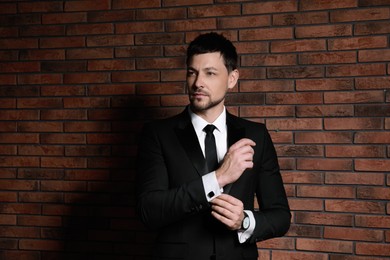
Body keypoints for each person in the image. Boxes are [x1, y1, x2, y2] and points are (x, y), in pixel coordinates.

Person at [136, 32, 291, 260]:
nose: (198, 82)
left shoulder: (256, 134)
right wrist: (217, 178)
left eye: (210, 73)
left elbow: (280, 216)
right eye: (192, 72)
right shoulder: (158, 134)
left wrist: (244, 221)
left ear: (232, 78)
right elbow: (148, 212)